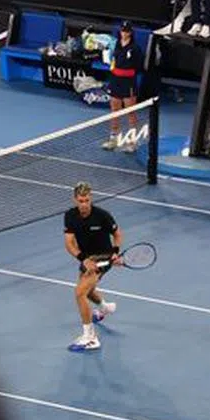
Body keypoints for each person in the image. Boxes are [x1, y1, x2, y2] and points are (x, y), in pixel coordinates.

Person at [63, 182, 123, 352]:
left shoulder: (102, 216)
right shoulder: (70, 216)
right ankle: (105, 307)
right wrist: (83, 259)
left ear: (91, 199)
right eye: (81, 201)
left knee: (80, 292)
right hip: (87, 258)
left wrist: (115, 252)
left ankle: (90, 338)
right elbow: (69, 243)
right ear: (75, 199)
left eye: (87, 200)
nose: (84, 204)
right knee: (87, 291)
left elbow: (117, 235)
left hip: (103, 257)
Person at [104, 21, 144, 152]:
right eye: (122, 30)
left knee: (130, 112)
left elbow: (139, 67)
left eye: (126, 31)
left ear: (131, 33)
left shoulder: (135, 48)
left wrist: (127, 73)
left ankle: (132, 141)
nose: (124, 33)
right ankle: (113, 138)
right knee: (115, 111)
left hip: (128, 82)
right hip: (115, 80)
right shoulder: (115, 44)